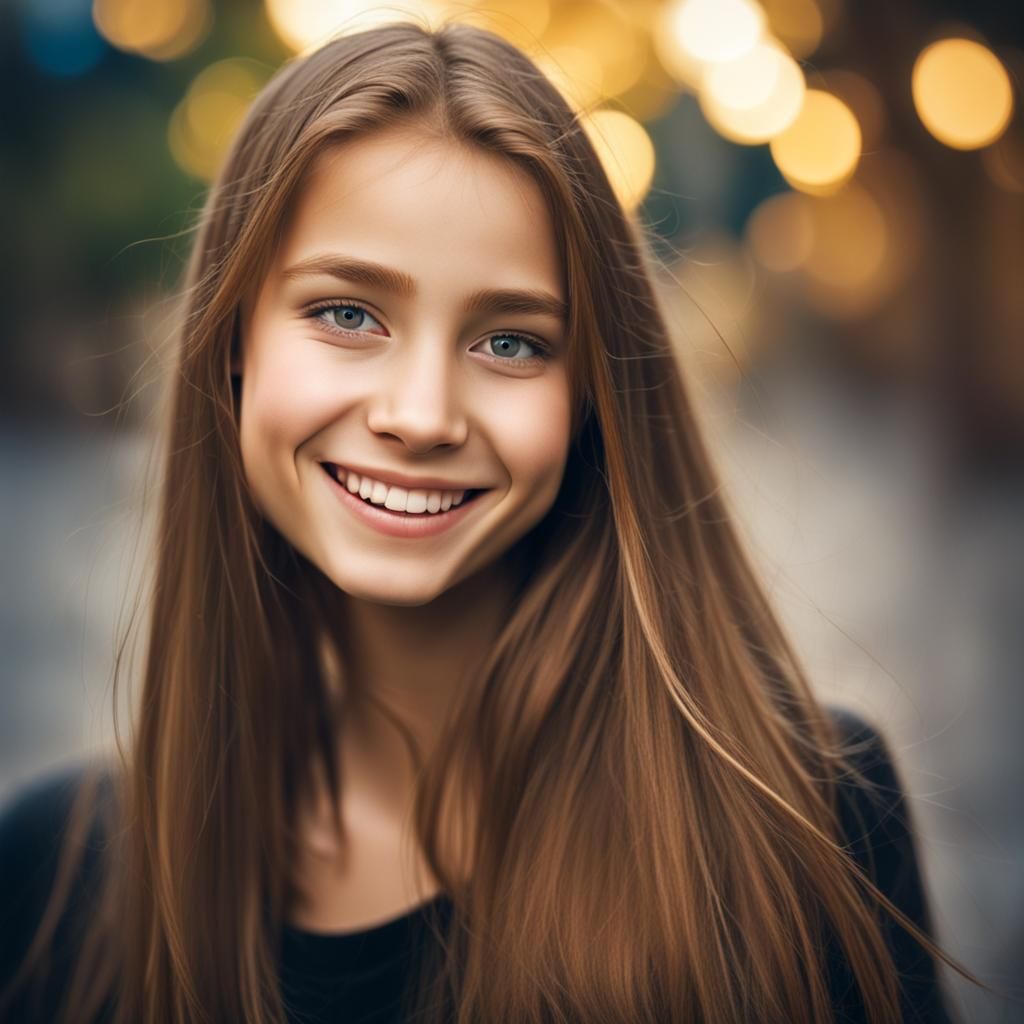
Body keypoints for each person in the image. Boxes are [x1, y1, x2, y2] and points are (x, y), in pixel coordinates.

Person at [0, 19, 971, 1024]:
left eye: (510, 341)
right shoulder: (50, 885)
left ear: (591, 396)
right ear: (234, 341)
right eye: (346, 314)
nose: (420, 414)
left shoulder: (805, 819)